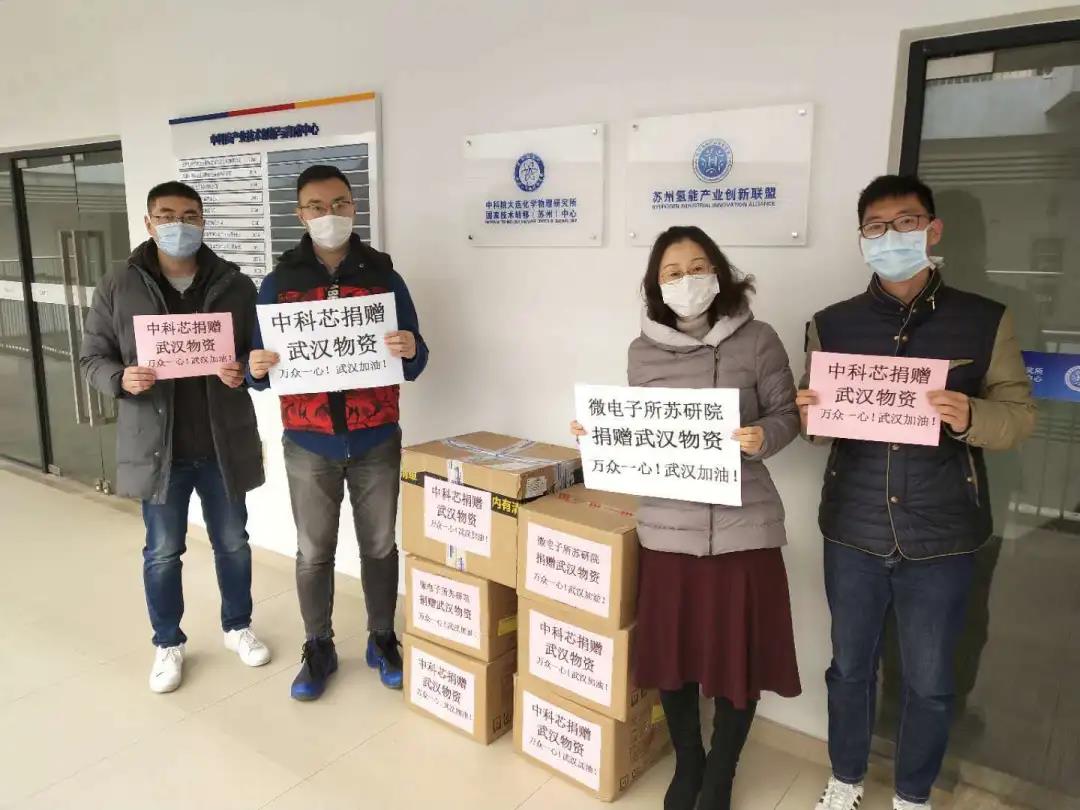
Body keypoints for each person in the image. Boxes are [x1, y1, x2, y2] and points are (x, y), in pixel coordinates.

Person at [799, 176, 1036, 810]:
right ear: (862, 239)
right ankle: (845, 779)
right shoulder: (831, 324)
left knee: (930, 681)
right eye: (876, 227)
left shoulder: (985, 320)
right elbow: (817, 428)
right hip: (853, 527)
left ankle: (912, 795)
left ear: (933, 229)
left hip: (942, 533)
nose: (891, 236)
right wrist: (809, 415)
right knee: (849, 669)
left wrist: (970, 416)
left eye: (905, 222)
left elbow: (1019, 416)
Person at [572, 225, 802, 810]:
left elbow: (787, 415)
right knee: (671, 660)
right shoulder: (641, 350)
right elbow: (644, 432)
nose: (686, 280)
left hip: (744, 527)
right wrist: (601, 433)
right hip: (668, 529)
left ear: (718, 272)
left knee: (737, 661)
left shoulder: (759, 339)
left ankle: (721, 774)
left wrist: (763, 437)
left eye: (697, 267)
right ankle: (689, 762)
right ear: (656, 286)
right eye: (672, 272)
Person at [80, 181, 271, 694]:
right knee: (163, 551)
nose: (178, 225)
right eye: (166, 216)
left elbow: (260, 354)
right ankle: (168, 642)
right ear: (149, 223)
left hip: (221, 443)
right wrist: (121, 378)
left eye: (189, 215)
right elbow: (92, 357)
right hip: (157, 448)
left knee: (234, 543)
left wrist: (245, 370)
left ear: (203, 221)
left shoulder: (234, 284)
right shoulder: (118, 284)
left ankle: (238, 626)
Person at [247, 164, 428, 701]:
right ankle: (318, 645)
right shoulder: (279, 283)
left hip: (376, 436)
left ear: (354, 207)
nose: (330, 215)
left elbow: (417, 358)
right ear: (300, 214)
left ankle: (382, 638)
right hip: (309, 440)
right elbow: (258, 369)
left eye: (340, 204)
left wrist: (410, 348)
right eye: (317, 207)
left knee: (380, 545)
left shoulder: (384, 278)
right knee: (313, 551)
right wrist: (255, 366)